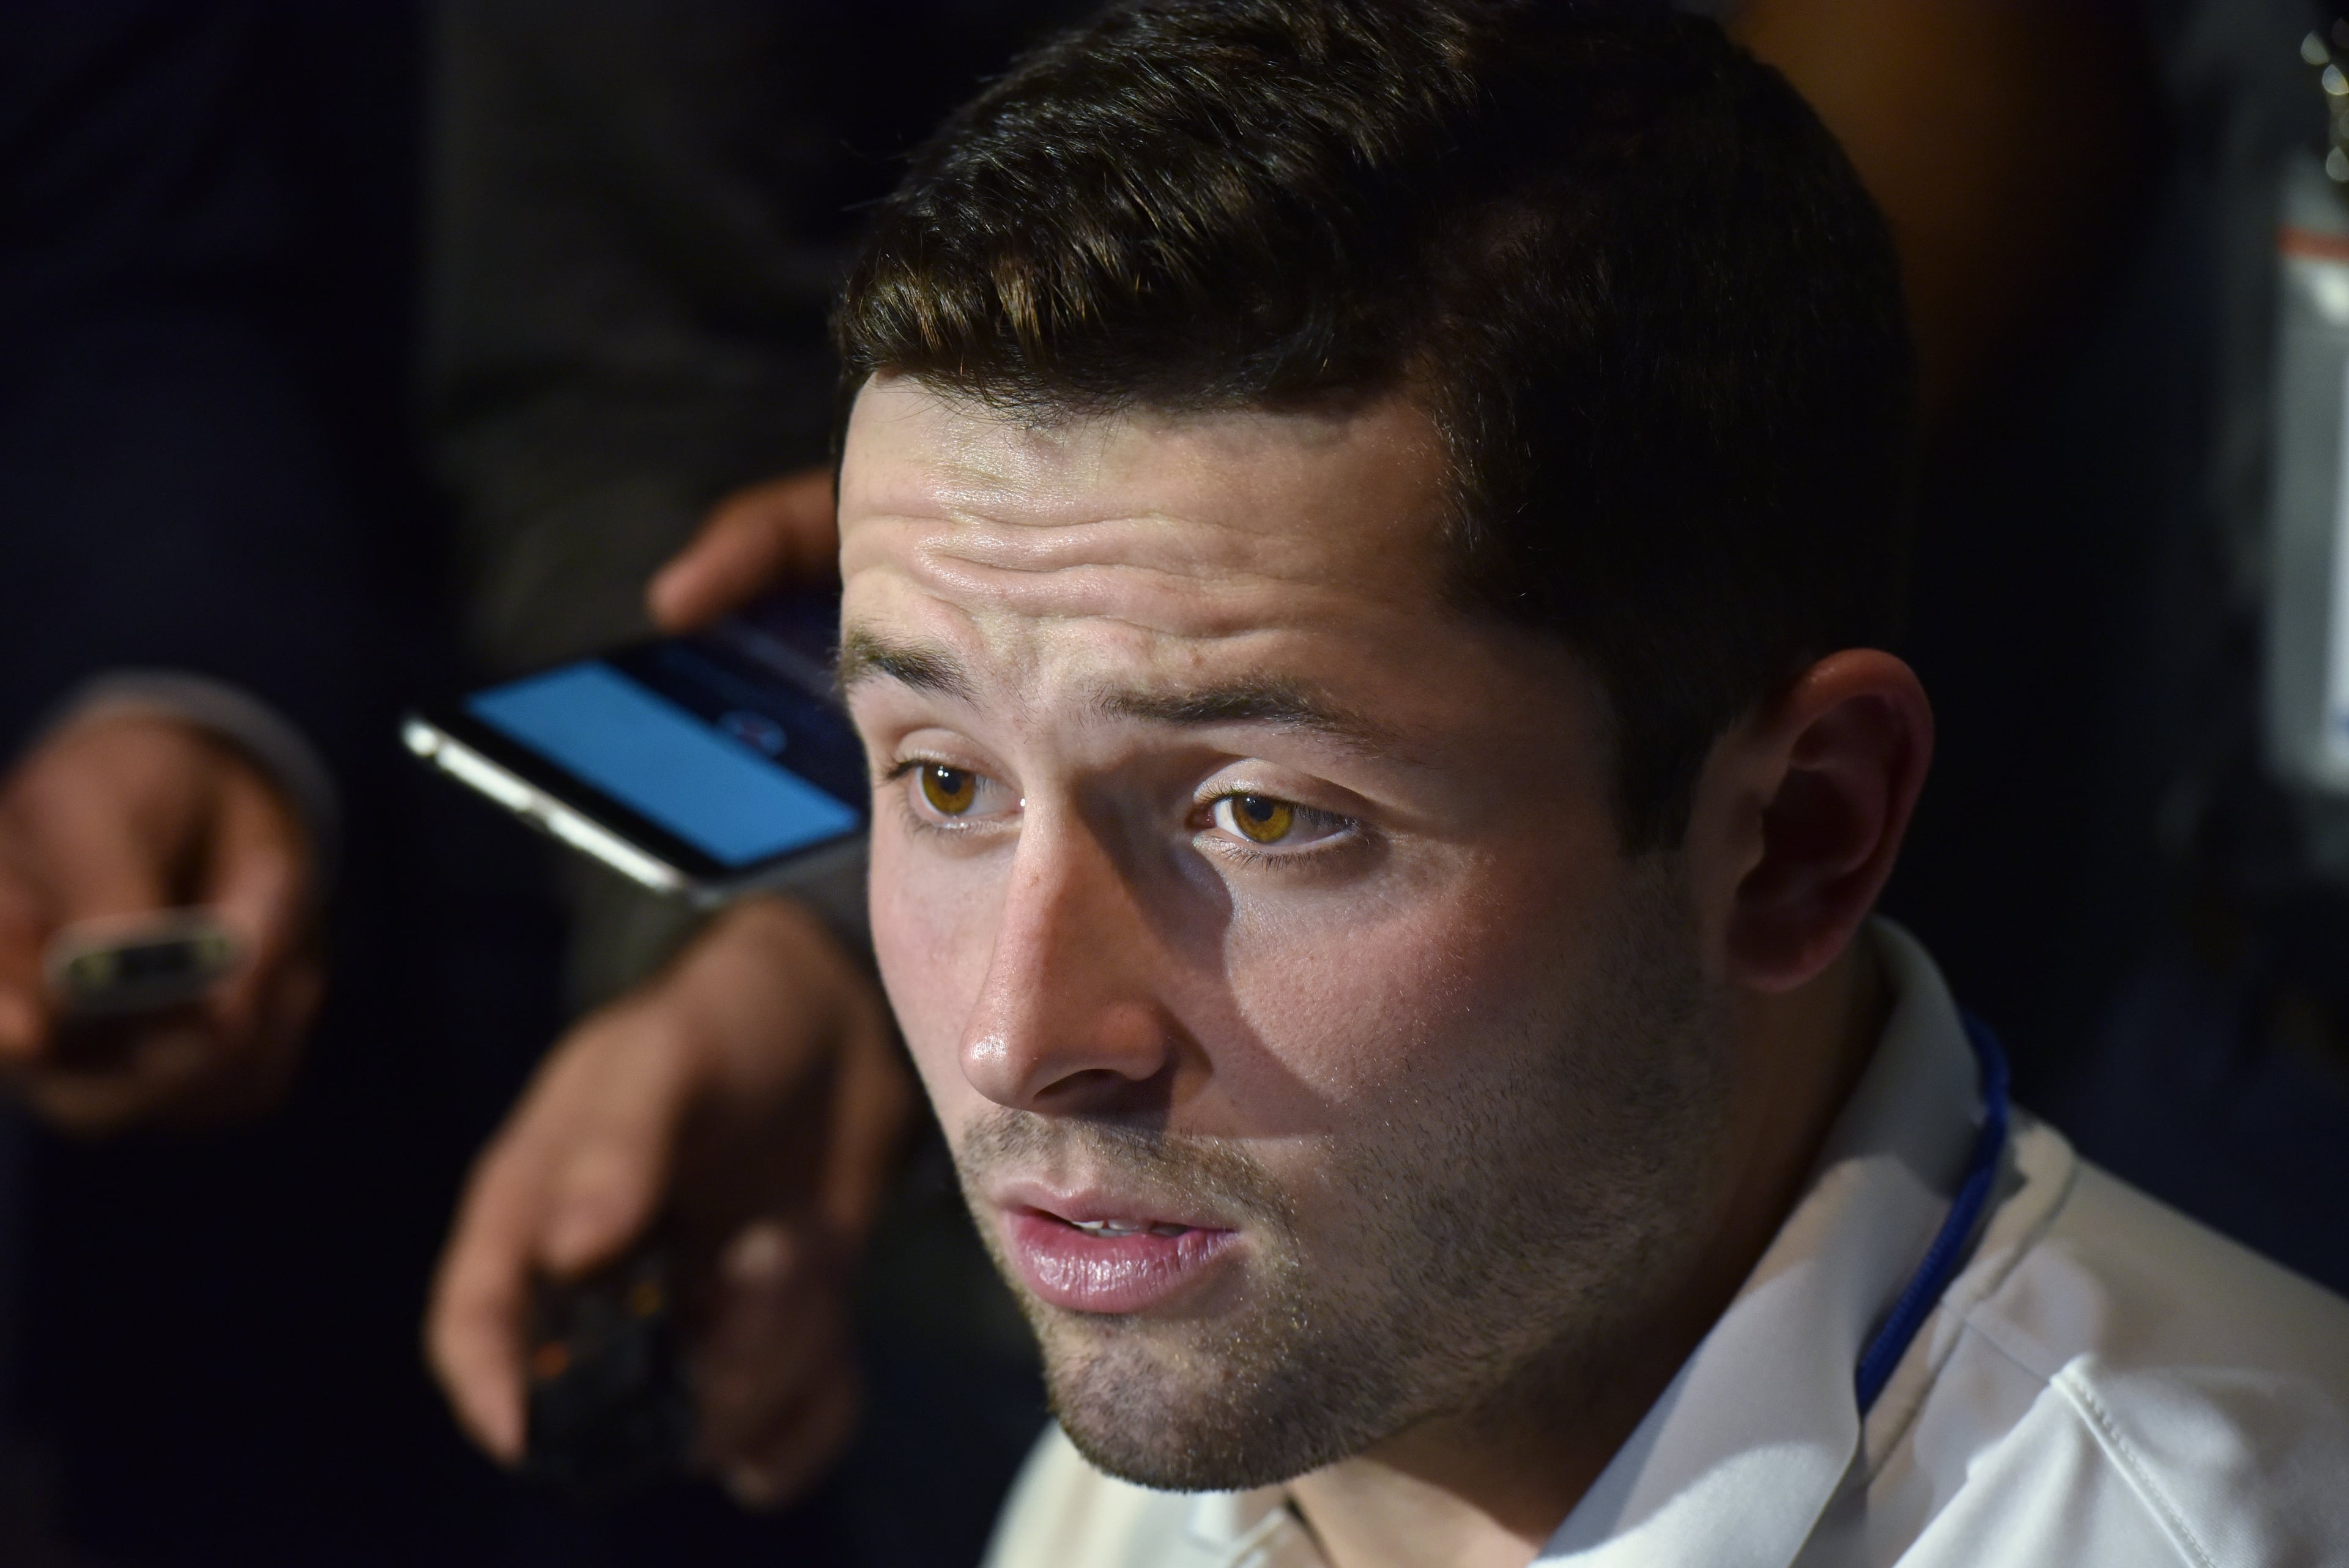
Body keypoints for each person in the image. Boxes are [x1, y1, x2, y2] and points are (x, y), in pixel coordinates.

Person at [789, 4, 2343, 1565]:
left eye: (1263, 815)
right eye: (944, 782)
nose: (1021, 1038)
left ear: (1804, 833)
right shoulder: (1213, 1378)